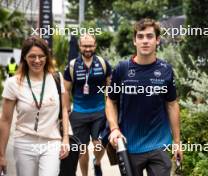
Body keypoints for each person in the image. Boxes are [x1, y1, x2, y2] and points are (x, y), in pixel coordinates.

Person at [106, 18, 183, 176]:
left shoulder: (166, 70)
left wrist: (177, 142)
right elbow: (110, 101)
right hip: (130, 146)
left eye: (149, 36)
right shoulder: (122, 69)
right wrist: (114, 128)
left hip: (159, 144)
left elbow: (172, 105)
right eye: (140, 37)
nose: (145, 41)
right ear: (134, 41)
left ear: (157, 40)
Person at [0, 36, 70, 176]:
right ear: (24, 57)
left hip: (52, 142)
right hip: (24, 143)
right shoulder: (13, 83)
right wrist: (1, 154)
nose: (37, 60)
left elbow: (64, 109)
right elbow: (6, 120)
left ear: (47, 57)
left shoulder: (56, 78)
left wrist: (66, 139)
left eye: (41, 56)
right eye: (32, 56)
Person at [63, 34, 111, 176]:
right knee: (82, 149)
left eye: (90, 46)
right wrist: (67, 109)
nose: (87, 48)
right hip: (79, 112)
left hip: (99, 111)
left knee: (99, 143)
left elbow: (110, 85)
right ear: (80, 46)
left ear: (95, 46)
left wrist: (110, 106)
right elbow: (66, 89)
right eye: (85, 46)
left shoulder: (103, 63)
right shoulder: (72, 66)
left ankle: (97, 162)